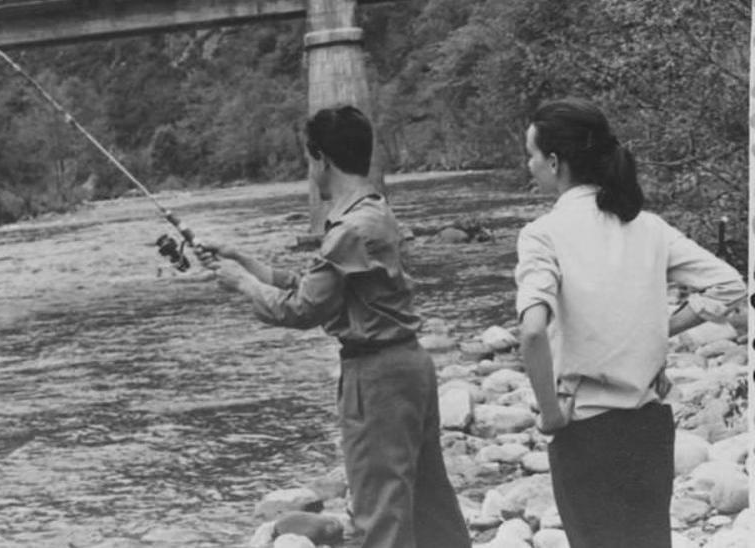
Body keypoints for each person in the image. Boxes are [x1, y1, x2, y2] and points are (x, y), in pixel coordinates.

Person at [201, 105, 471, 548]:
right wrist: (243, 259)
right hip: (408, 366)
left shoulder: (350, 229)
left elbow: (303, 309)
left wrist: (243, 286)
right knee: (428, 505)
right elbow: (320, 286)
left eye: (310, 160)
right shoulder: (373, 211)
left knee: (378, 511)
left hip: (377, 379)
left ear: (322, 159)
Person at [514, 98, 745, 548]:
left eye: (532, 155)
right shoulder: (649, 227)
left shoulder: (542, 234)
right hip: (649, 428)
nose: (530, 165)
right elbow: (729, 284)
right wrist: (660, 329)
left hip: (585, 431)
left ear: (556, 162)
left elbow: (532, 331)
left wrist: (549, 414)